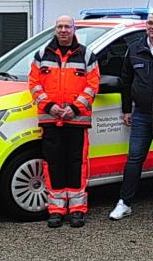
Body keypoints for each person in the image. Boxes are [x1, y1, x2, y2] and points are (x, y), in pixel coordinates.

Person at [28, 15, 100, 228]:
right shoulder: (41, 54)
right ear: (55, 29)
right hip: (51, 120)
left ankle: (77, 210)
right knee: (53, 164)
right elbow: (34, 84)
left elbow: (92, 85)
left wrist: (74, 108)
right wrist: (51, 107)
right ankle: (56, 210)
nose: (63, 30)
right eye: (59, 26)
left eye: (67, 26)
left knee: (77, 165)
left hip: (77, 121)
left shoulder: (87, 55)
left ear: (74, 29)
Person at [109, 9, 153, 221]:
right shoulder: (135, 48)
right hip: (141, 113)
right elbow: (125, 80)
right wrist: (126, 109)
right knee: (134, 158)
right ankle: (125, 202)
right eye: (150, 23)